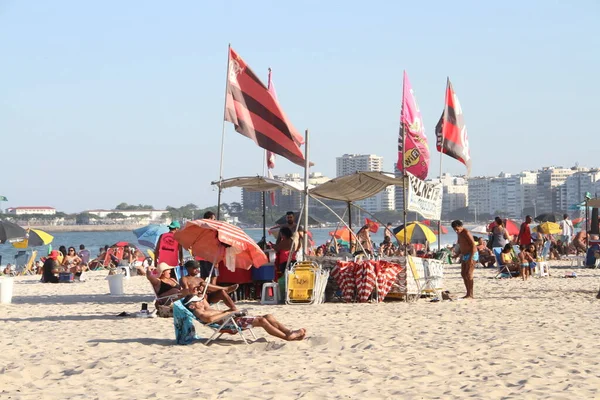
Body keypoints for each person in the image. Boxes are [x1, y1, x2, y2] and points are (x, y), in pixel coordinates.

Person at [183, 295, 306, 341]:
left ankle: (289, 332)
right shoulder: (200, 313)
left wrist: (232, 312)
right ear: (192, 305)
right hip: (230, 324)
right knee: (262, 321)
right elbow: (209, 320)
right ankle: (286, 337)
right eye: (197, 301)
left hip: (232, 319)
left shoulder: (205, 308)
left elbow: (204, 297)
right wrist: (228, 312)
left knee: (268, 316)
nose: (200, 301)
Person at [451, 220, 477, 299]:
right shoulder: (459, 234)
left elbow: (473, 245)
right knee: (463, 273)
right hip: (465, 255)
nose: (456, 231)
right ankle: (467, 293)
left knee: (469, 274)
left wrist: (471, 258)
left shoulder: (466, 232)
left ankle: (471, 294)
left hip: (472, 254)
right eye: (454, 229)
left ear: (461, 226)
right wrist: (457, 254)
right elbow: (461, 244)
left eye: (457, 229)